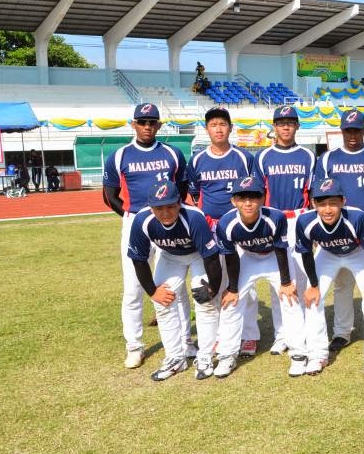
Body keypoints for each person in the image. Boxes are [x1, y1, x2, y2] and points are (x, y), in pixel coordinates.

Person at [103, 103, 188, 369]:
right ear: (133, 124)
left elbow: (182, 188)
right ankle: (135, 346)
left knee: (174, 286)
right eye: (142, 122)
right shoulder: (119, 155)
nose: (147, 126)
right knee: (133, 288)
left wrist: (167, 215)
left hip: (169, 222)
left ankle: (184, 341)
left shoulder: (173, 153)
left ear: (159, 125)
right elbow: (110, 196)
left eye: (152, 122)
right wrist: (136, 219)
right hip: (136, 224)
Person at [314, 109, 364, 352]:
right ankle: (342, 332)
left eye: (357, 130)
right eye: (348, 130)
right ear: (341, 131)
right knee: (341, 283)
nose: (352, 135)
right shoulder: (327, 159)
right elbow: (317, 197)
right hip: (335, 226)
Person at [127, 183, 222, 382]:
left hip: (199, 255)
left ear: (179, 202)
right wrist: (153, 292)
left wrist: (213, 287)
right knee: (163, 303)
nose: (165, 212)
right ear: (150, 207)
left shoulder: (194, 217)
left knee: (205, 302)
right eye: (159, 208)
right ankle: (175, 358)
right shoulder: (142, 221)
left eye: (170, 206)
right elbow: (139, 260)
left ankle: (204, 357)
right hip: (170, 256)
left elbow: (211, 258)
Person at [186, 107, 260, 356]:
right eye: (213, 125)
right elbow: (195, 194)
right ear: (206, 129)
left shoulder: (243, 158)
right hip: (210, 226)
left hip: (238, 223)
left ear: (230, 128)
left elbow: (254, 190)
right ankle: (220, 335)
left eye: (223, 124)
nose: (218, 129)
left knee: (244, 281)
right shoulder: (197, 160)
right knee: (215, 279)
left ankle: (249, 335)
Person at [215, 176, 303, 379]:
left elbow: (282, 250)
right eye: (242, 197)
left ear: (263, 198)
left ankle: (298, 352)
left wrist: (286, 282)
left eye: (253, 197)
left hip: (274, 256)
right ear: (233, 200)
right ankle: (227, 355)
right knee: (231, 302)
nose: (248, 203)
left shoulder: (275, 217)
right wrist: (233, 288)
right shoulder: (227, 223)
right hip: (248, 257)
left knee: (290, 298)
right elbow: (231, 257)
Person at [295, 178, 364, 376]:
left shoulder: (357, 217)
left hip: (357, 252)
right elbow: (306, 253)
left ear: (343, 201)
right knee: (312, 299)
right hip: (328, 254)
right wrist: (314, 285)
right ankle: (317, 353)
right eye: (322, 203)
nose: (328, 209)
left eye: (333, 203)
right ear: (313, 203)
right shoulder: (305, 221)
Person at [252, 105, 316, 355]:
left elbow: (312, 196)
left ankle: (302, 332)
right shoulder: (263, 157)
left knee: (301, 278)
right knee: (279, 280)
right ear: (274, 126)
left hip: (299, 218)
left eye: (290, 122)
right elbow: (257, 194)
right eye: (280, 122)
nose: (286, 126)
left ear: (297, 126)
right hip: (273, 219)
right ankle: (282, 335)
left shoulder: (308, 156)